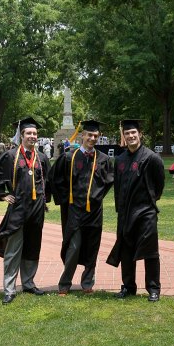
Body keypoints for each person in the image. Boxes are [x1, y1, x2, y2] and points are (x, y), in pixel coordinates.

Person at [0, 117, 51, 305]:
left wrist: (45, 200)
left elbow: (47, 182)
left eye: (35, 133)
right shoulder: (11, 156)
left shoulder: (42, 158)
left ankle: (28, 283)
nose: (32, 136)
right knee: (13, 249)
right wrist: (2, 195)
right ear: (22, 135)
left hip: (36, 210)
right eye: (29, 133)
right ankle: (9, 289)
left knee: (32, 246)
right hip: (18, 209)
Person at [50, 119, 114, 296]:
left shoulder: (104, 159)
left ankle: (87, 282)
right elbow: (56, 178)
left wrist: (97, 196)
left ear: (98, 137)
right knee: (74, 247)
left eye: (95, 135)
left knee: (93, 247)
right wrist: (66, 200)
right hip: (75, 211)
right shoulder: (69, 157)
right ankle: (64, 283)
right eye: (89, 135)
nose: (92, 138)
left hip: (94, 211)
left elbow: (108, 181)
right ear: (82, 136)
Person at [106, 119, 165, 302]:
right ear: (123, 136)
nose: (131, 136)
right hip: (125, 213)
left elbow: (159, 185)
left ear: (140, 134)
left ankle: (153, 288)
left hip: (145, 211)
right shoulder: (120, 160)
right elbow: (117, 187)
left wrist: (149, 202)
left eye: (134, 133)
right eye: (127, 133)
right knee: (126, 251)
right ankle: (128, 287)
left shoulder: (151, 158)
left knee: (150, 251)